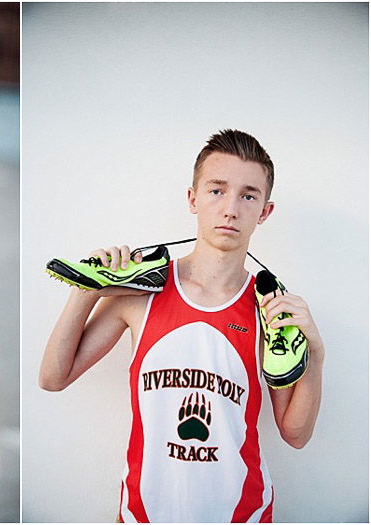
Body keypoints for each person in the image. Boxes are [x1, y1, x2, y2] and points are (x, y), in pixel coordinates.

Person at [39, 129, 324, 522]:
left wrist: (317, 355)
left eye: (248, 195)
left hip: (241, 515)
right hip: (146, 514)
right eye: (216, 190)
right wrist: (90, 288)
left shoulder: (270, 310)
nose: (230, 209)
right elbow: (53, 377)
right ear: (192, 199)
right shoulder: (143, 292)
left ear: (264, 211)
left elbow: (295, 433)